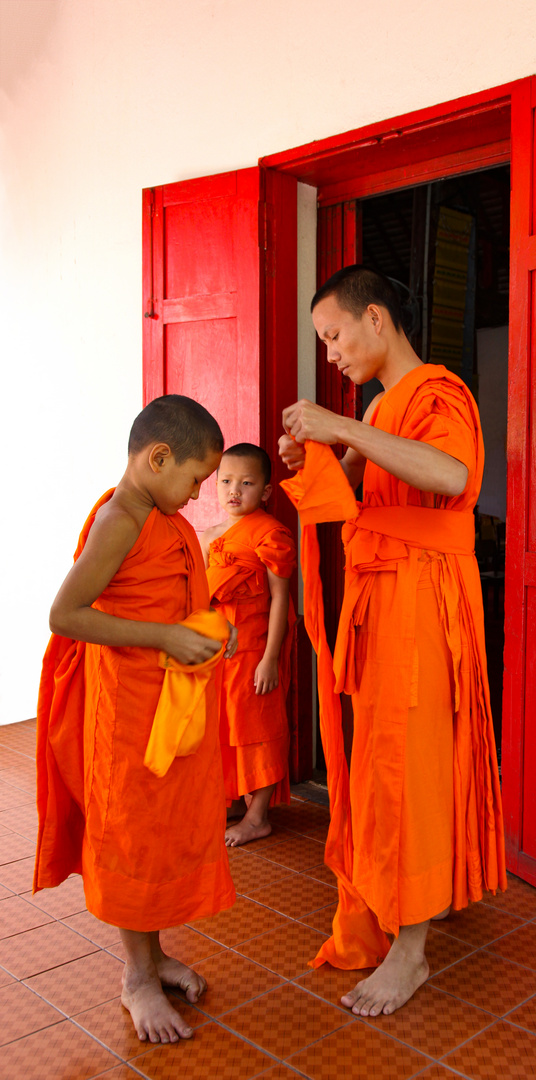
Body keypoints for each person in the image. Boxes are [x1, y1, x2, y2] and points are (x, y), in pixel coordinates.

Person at [279, 265, 505, 1019]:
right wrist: (318, 458)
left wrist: (342, 427)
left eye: (334, 334)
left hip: (422, 600)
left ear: (376, 319)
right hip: (385, 599)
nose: (332, 352)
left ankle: (410, 954)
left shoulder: (436, 391)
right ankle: (410, 900)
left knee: (408, 764)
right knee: (388, 762)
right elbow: (360, 488)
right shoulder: (383, 405)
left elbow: (449, 474)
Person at [34, 395, 237, 1045]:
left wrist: (206, 630)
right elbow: (66, 615)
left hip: (168, 711)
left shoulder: (161, 514)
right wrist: (166, 639)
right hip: (127, 715)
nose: (199, 493)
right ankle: (135, 979)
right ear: (157, 457)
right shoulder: (123, 517)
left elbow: (177, 599)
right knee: (131, 839)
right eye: (196, 478)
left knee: (159, 836)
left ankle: (153, 957)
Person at [200, 443, 296, 846]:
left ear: (267, 491)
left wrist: (270, 658)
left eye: (246, 482)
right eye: (225, 481)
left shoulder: (270, 534)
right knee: (225, 724)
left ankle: (258, 816)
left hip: (255, 649)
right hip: (218, 650)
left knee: (257, 727)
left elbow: (280, 599)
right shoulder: (210, 536)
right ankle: (237, 801)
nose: (233, 490)